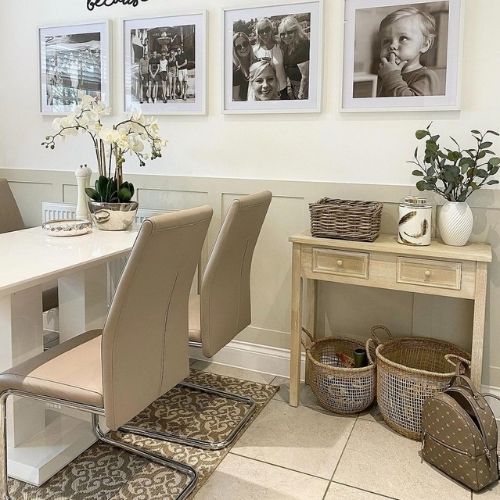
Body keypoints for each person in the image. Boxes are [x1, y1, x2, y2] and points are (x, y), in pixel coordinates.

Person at [376, 7, 439, 97]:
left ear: (425, 45)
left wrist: (391, 76)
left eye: (403, 38)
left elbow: (414, 107)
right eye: (387, 41)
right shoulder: (385, 72)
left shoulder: (426, 76)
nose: (392, 45)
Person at [253, 18, 288, 100]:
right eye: (261, 31)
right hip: (265, 92)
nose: (264, 33)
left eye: (267, 29)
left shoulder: (280, 45)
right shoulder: (255, 51)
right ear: (258, 34)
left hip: (282, 89)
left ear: (271, 30)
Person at [279, 16, 310, 100]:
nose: (286, 36)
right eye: (282, 34)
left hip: (302, 86)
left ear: (296, 31)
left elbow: (305, 76)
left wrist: (301, 93)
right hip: (293, 85)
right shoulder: (288, 46)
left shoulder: (302, 45)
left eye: (289, 32)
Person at [232, 32, 256, 101]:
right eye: (239, 47)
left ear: (249, 44)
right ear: (235, 50)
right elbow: (236, 98)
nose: (243, 48)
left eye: (245, 44)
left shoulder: (256, 63)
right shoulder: (236, 72)